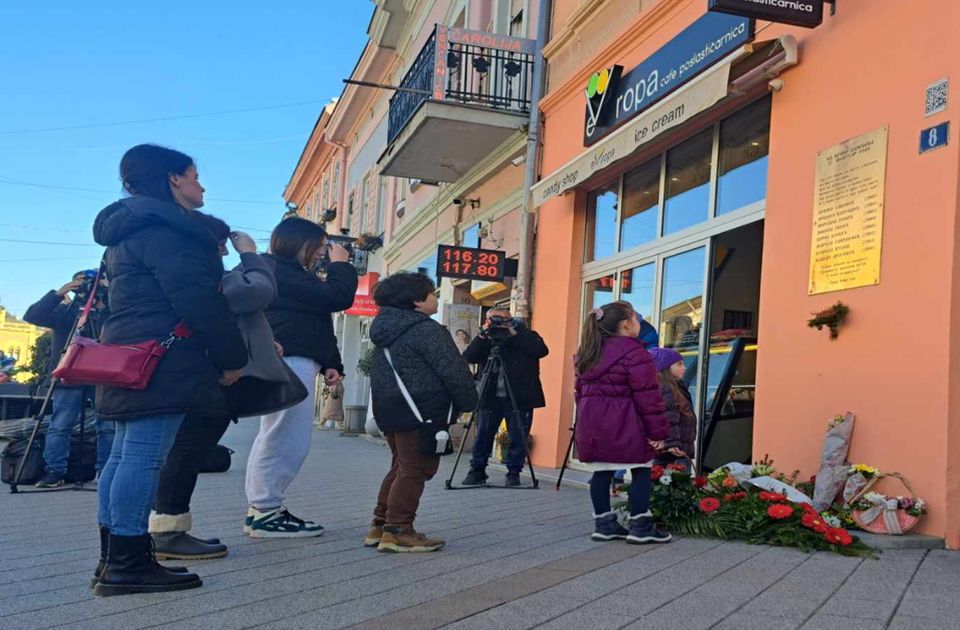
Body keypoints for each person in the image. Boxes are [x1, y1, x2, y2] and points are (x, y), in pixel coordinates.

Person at [90, 144, 248, 597]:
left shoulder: (128, 229)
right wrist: (231, 358)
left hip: (129, 351)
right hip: (164, 355)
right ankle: (127, 563)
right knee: (141, 456)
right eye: (195, 175)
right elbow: (198, 299)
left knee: (123, 456)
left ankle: (115, 559)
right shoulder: (170, 230)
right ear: (173, 179)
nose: (202, 185)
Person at [149, 215, 296, 560]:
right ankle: (166, 532)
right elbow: (260, 291)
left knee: (184, 450)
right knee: (186, 451)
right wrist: (249, 253)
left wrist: (261, 344)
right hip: (210, 375)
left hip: (200, 371)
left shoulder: (184, 269)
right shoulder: (208, 275)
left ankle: (166, 529)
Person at [244, 217, 358, 537]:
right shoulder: (277, 270)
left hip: (296, 358)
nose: (322, 252)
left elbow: (316, 319)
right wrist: (341, 265)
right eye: (319, 246)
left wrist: (328, 362)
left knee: (281, 434)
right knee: (286, 437)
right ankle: (266, 510)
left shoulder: (288, 273)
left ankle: (263, 509)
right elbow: (337, 297)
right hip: (288, 360)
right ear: (298, 243)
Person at [365, 272, 478, 552]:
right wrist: (469, 401)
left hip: (391, 407)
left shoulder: (385, 330)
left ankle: (380, 525)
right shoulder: (427, 330)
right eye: (431, 293)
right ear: (416, 301)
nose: (435, 297)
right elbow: (453, 371)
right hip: (422, 409)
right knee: (416, 468)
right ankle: (399, 529)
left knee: (401, 465)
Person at [574, 301, 672, 545]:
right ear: (627, 324)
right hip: (627, 422)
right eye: (637, 319)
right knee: (640, 470)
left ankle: (604, 525)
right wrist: (657, 431)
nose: (640, 323)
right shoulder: (636, 353)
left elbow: (579, 394)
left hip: (592, 424)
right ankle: (640, 525)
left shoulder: (587, 352)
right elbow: (648, 396)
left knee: (601, 471)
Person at [24, 272, 116, 488]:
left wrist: (109, 291)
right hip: (68, 375)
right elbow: (33, 315)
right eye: (83, 283)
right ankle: (54, 471)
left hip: (100, 374)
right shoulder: (66, 313)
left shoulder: (108, 311)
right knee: (60, 425)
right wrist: (59, 293)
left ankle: (105, 471)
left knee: (107, 426)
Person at [461, 308, 548, 487]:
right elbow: (469, 357)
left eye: (504, 319)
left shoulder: (524, 334)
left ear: (512, 319)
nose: (499, 323)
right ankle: (477, 470)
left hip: (519, 395)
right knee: (483, 434)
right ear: (487, 320)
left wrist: (514, 334)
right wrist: (483, 337)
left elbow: (541, 350)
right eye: (495, 319)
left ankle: (513, 472)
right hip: (490, 395)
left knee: (519, 435)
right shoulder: (486, 337)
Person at [648, 348, 696, 469]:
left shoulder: (678, 387)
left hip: (678, 448)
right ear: (665, 367)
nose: (684, 368)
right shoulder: (666, 389)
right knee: (675, 482)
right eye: (679, 364)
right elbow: (668, 418)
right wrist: (672, 443)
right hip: (674, 451)